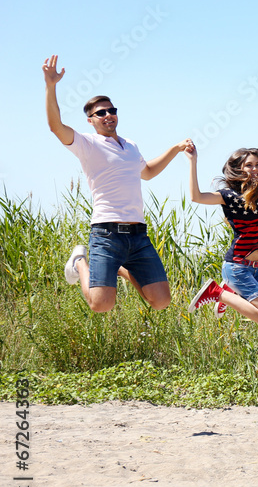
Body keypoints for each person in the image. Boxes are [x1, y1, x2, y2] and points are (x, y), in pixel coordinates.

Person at [44, 54, 190, 313]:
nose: (108, 115)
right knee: (101, 305)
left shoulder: (130, 145)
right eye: (101, 113)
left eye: (112, 110)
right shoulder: (88, 144)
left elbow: (147, 172)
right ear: (90, 120)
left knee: (161, 301)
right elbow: (56, 127)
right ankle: (79, 260)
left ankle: (120, 268)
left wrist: (176, 148)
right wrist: (51, 85)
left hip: (138, 235)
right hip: (106, 234)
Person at [184, 127, 258, 327]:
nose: (255, 169)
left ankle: (229, 292)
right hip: (237, 267)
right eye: (249, 165)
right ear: (238, 169)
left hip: (257, 268)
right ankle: (218, 293)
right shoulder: (228, 196)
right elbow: (196, 197)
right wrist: (193, 161)